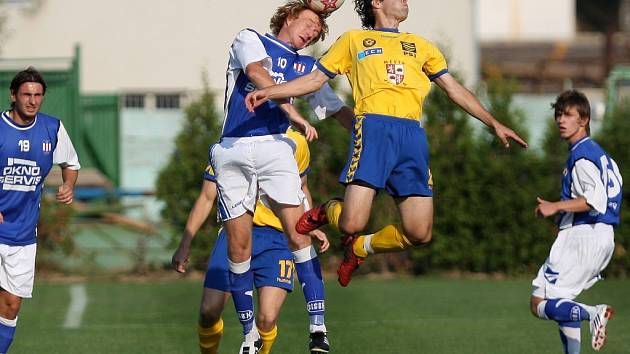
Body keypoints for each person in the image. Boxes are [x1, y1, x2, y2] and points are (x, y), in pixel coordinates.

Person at [246, 0, 528, 286]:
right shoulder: (354, 40)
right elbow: (314, 80)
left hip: (412, 137)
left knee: (420, 232)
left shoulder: (422, 46)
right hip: (374, 130)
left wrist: (494, 123)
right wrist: (270, 92)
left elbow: (454, 90)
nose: (406, 1)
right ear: (377, 2)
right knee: (351, 223)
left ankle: (360, 248)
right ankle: (327, 209)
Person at [201, 3, 354, 352]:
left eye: (318, 31)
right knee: (238, 246)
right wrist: (293, 112)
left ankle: (318, 327)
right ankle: (249, 336)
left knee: (298, 232)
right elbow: (256, 72)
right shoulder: (250, 38)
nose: (312, 32)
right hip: (234, 147)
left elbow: (336, 109)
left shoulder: (309, 68)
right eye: (310, 23)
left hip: (274, 146)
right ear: (288, 16)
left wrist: (369, 131)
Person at [172, 128, 338, 354]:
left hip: (277, 238)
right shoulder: (231, 141)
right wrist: (185, 242)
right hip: (236, 235)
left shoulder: (296, 142)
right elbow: (207, 196)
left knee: (267, 319)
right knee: (208, 311)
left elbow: (301, 188)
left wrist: (309, 227)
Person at [530, 90, 620, 354]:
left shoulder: (581, 156)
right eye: (559, 114)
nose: (561, 120)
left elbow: (595, 200)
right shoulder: (601, 155)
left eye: (568, 115)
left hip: (582, 235)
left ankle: (595, 312)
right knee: (562, 303)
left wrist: (554, 206)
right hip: (603, 236)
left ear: (584, 120)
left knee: (538, 302)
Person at [0, 67, 80, 352]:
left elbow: (70, 163)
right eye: (26, 95)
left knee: (10, 307)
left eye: (38, 95)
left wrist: (68, 185)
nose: (32, 101)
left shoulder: (52, 129)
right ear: (13, 96)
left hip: (23, 234)